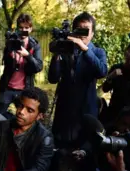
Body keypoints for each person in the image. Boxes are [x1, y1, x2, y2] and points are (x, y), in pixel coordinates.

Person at [48, 11, 108, 150]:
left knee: (85, 151)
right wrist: (57, 54)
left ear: (92, 33)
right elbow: (53, 78)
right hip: (65, 109)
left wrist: (85, 49)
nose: (82, 34)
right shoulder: (66, 50)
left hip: (86, 108)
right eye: (79, 29)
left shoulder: (98, 52)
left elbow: (102, 72)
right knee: (60, 149)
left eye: (86, 30)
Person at [0, 13, 44, 116]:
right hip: (7, 87)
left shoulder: (35, 46)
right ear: (17, 29)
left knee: (23, 118)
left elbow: (38, 67)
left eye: (26, 28)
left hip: (24, 89)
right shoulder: (11, 42)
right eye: (21, 28)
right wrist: (10, 51)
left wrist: (27, 55)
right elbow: (5, 62)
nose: (24, 30)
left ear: (31, 29)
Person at [101, 43, 130, 125]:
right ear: (125, 52)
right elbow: (105, 89)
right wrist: (110, 77)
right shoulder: (116, 68)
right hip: (116, 111)